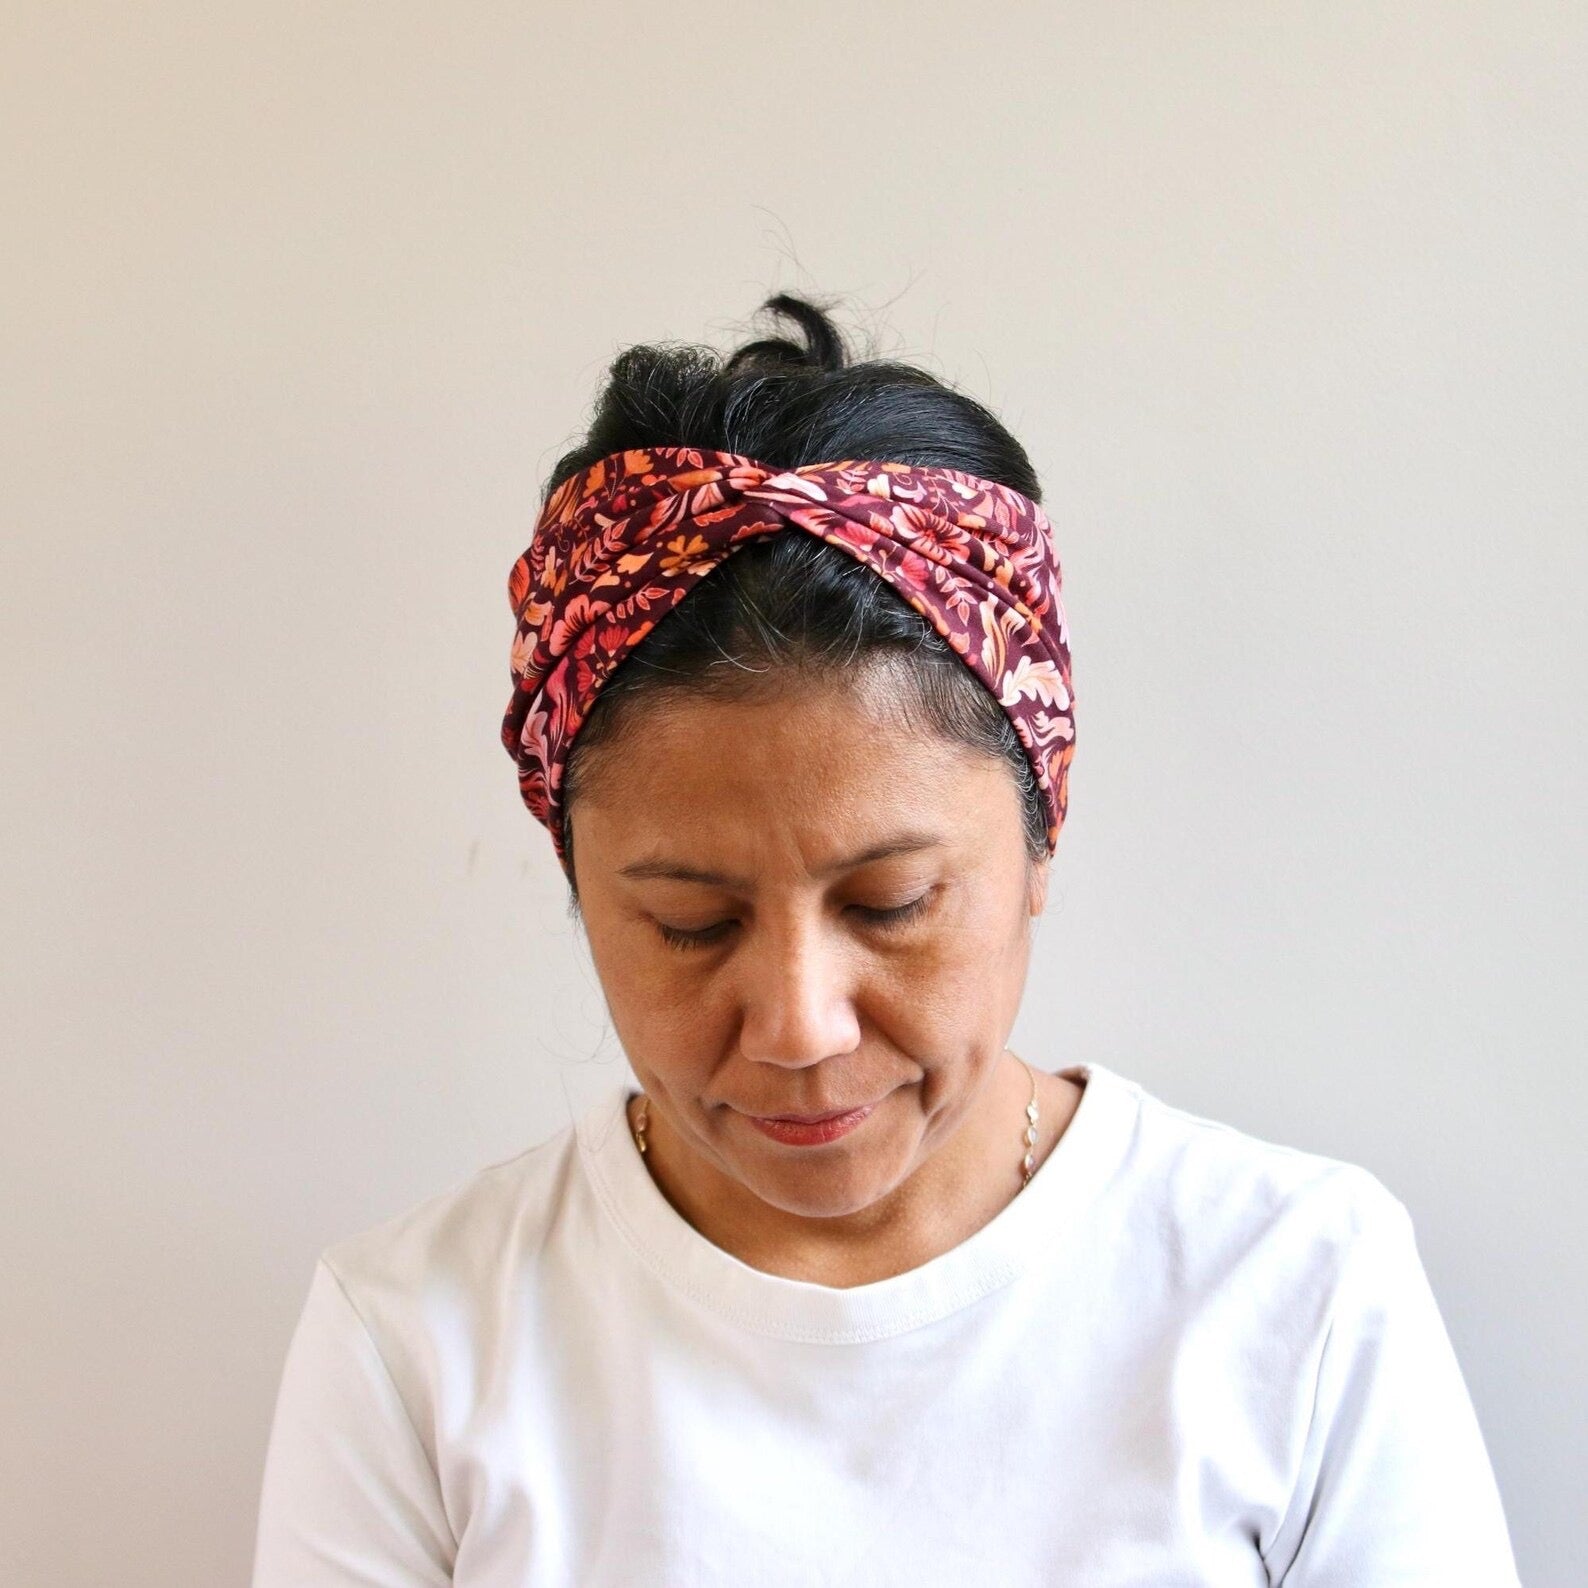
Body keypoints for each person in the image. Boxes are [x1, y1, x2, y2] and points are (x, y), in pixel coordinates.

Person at [250, 295, 1522, 1585]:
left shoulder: (1293, 1286)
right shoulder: (416, 1340)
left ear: (1041, 831)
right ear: (575, 878)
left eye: (891, 904)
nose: (799, 1025)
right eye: (691, 924)